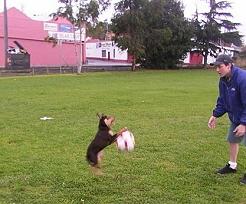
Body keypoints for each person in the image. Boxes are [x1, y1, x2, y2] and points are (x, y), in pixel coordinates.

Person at [208, 54, 246, 184]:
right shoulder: (223, 80)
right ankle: (232, 166)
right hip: (237, 116)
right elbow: (223, 100)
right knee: (233, 139)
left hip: (244, 116)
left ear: (229, 65)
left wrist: (244, 123)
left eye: (220, 66)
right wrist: (215, 115)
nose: (217, 70)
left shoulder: (242, 79)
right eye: (216, 67)